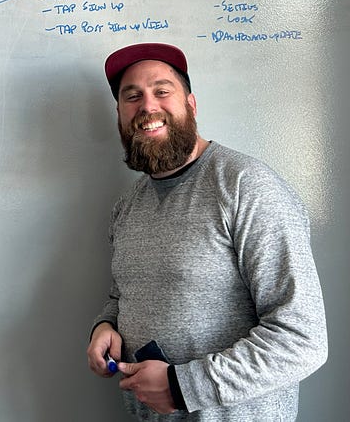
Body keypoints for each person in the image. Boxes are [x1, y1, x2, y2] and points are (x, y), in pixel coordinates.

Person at [86, 42, 328, 421]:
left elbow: (302, 339)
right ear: (120, 116)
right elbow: (124, 293)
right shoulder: (128, 205)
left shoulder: (247, 187)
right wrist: (107, 324)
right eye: (132, 97)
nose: (147, 106)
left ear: (191, 104)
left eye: (162, 91)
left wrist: (183, 386)